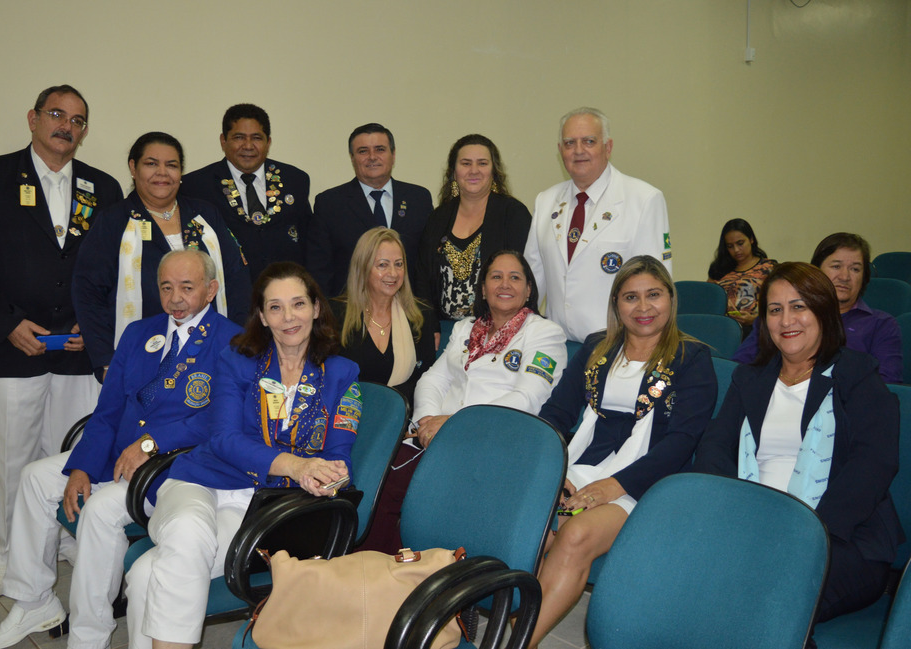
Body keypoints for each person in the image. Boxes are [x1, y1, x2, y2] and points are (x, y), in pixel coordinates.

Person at [0, 249, 241, 649]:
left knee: (100, 514)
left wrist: (149, 444)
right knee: (35, 477)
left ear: (211, 289)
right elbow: (108, 410)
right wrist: (82, 466)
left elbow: (218, 421)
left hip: (171, 465)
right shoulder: (139, 333)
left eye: (187, 287)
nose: (175, 298)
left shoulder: (233, 341)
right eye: (166, 287)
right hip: (118, 453)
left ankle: (90, 633)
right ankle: (34, 601)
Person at [124, 262, 359, 649]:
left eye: (298, 304)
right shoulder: (236, 360)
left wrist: (330, 474)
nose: (288, 318)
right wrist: (297, 466)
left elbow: (339, 455)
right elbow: (224, 439)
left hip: (259, 504)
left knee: (152, 572)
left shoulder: (342, 374)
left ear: (316, 309)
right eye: (275, 307)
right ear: (262, 317)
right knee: (188, 531)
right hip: (199, 478)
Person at [0, 84, 123, 597]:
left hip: (75, 347)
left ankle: (63, 540)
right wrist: (7, 323)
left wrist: (90, 329)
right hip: (13, 344)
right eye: (56, 114)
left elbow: (112, 268)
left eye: (77, 120)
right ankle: (2, 555)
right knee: (13, 459)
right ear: (33, 118)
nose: (66, 126)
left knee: (70, 453)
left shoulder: (102, 186)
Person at [695, 262, 903, 625]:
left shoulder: (857, 373)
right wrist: (735, 514)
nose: (786, 320)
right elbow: (714, 447)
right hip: (754, 523)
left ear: (822, 310)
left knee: (761, 590)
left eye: (799, 306)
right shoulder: (750, 378)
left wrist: (802, 532)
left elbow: (874, 464)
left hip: (839, 538)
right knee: (693, 570)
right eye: (775, 310)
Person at [530, 255, 717, 647]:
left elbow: (682, 443)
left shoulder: (692, 358)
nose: (644, 307)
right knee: (530, 524)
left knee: (574, 534)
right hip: (581, 467)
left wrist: (615, 485)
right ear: (617, 304)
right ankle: (502, 617)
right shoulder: (597, 346)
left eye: (654, 295)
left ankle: (518, 640)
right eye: (631, 297)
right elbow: (556, 413)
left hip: (645, 481)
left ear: (671, 298)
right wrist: (554, 469)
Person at [360, 251, 566, 554]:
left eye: (515, 277)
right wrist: (426, 423)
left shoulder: (545, 334)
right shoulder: (466, 328)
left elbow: (527, 399)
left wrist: (454, 424)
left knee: (409, 487)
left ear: (529, 290)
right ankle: (376, 569)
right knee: (380, 477)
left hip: (493, 441)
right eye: (496, 276)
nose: (504, 284)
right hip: (436, 435)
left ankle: (398, 573)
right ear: (483, 288)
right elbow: (433, 379)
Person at [73, 132, 251, 380]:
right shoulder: (113, 221)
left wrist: (238, 342)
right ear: (133, 168)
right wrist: (105, 360)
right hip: (138, 361)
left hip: (212, 357)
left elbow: (237, 281)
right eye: (151, 163)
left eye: (172, 165)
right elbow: (88, 293)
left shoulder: (206, 216)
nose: (162, 173)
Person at [524, 107, 672, 342]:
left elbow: (654, 286)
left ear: (608, 147)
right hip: (555, 343)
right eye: (570, 143)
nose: (579, 151)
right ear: (560, 150)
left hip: (616, 344)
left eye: (589, 141)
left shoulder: (644, 199)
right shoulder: (545, 201)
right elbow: (531, 279)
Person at [732, 232, 903, 383]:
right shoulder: (779, 319)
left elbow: (886, 385)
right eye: (836, 266)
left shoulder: (882, 325)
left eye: (855, 269)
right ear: (816, 272)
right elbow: (740, 369)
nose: (845, 276)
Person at [180, 103, 311, 282]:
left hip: (286, 291)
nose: (248, 146)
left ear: (268, 142)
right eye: (239, 137)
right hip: (227, 293)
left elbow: (309, 241)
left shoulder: (295, 180)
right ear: (223, 141)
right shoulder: (196, 186)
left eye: (256, 138)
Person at [416, 133, 531, 322]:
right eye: (466, 163)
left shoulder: (513, 215)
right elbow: (422, 277)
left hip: (498, 329)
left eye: (483, 163)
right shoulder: (438, 217)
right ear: (454, 171)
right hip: (444, 331)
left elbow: (524, 277)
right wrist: (429, 323)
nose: (474, 170)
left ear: (494, 171)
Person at [308, 123, 432, 296]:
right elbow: (320, 269)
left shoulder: (419, 198)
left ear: (393, 154)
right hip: (351, 311)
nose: (372, 157)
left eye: (380, 149)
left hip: (410, 310)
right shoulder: (330, 204)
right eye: (363, 151)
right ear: (352, 158)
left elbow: (427, 264)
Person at [331, 227, 436, 405]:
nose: (393, 274)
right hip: (347, 419)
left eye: (399, 264)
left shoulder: (420, 315)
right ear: (363, 268)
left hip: (402, 420)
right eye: (382, 265)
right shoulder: (335, 315)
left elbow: (426, 381)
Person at [707, 218, 775, 330]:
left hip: (756, 330)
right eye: (730, 246)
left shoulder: (768, 268)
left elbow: (777, 305)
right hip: (722, 328)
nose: (736, 250)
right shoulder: (718, 269)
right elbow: (710, 302)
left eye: (740, 243)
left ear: (751, 239)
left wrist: (755, 319)